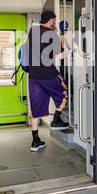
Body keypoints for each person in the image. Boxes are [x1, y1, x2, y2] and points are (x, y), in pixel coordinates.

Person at [27, 11, 69, 152]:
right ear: (51, 20)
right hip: (48, 74)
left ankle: (35, 141)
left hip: (34, 77)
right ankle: (56, 120)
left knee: (36, 111)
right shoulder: (53, 35)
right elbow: (62, 56)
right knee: (64, 93)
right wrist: (66, 42)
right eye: (54, 20)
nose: (55, 22)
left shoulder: (33, 30)